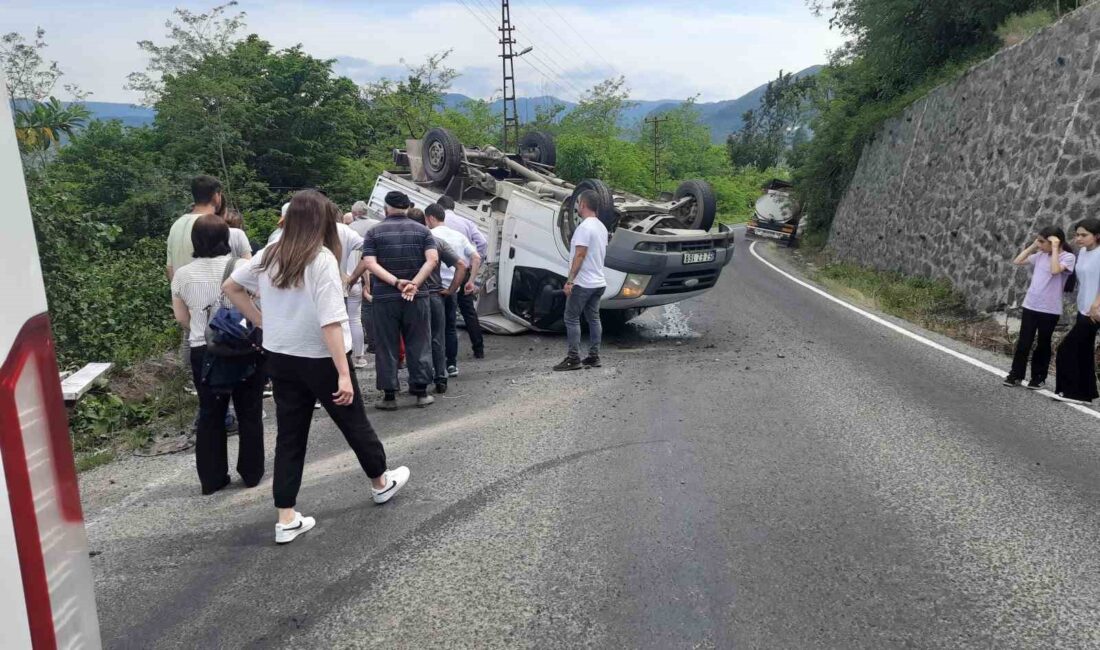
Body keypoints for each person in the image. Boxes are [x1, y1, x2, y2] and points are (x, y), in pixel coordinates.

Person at [223, 190, 410, 545]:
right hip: (321, 358)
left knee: (290, 436)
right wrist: (343, 372)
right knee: (354, 424)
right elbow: (330, 320)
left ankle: (286, 516)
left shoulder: (270, 253)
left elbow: (231, 286)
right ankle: (380, 482)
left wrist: (263, 322)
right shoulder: (320, 259)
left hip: (280, 357)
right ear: (323, 221)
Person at [170, 214, 264, 495]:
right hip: (244, 347)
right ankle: (251, 472)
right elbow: (260, 304)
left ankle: (212, 479)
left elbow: (180, 317)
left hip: (204, 351)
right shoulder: (243, 266)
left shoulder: (182, 275)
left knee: (210, 413)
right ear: (227, 238)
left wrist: (203, 330)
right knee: (249, 411)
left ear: (194, 240)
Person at [357, 191, 439, 410]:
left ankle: (389, 396)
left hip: (385, 297)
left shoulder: (374, 232)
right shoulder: (423, 231)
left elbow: (370, 263)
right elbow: (432, 260)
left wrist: (396, 283)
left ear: (386, 208)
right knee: (419, 341)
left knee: (386, 345)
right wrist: (414, 283)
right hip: (417, 296)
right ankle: (421, 393)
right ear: (407, 207)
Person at [1004, 226, 1075, 389]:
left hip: (1049, 310)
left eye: (1042, 242)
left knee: (1043, 344)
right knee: (1023, 342)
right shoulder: (1040, 255)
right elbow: (1018, 261)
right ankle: (1015, 375)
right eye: (1039, 241)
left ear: (1054, 242)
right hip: (1030, 306)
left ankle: (1038, 378)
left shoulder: (1068, 257)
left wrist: (1056, 248)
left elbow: (1055, 270)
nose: (1040, 245)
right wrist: (1034, 246)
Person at [408, 207, 467, 393]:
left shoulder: (404, 242)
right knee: (437, 338)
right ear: (425, 221)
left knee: (415, 340)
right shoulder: (437, 242)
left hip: (411, 296)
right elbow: (461, 265)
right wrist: (451, 290)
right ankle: (440, 378)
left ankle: (418, 380)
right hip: (434, 296)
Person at [424, 204, 481, 378]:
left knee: (433, 329)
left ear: (431, 218)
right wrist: (470, 281)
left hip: (432, 289)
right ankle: (451, 365)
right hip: (453, 288)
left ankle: (436, 367)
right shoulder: (459, 236)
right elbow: (476, 257)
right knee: (450, 327)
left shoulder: (429, 236)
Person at [554, 190, 608, 371]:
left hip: (583, 283)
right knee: (594, 318)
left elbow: (580, 254)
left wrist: (570, 281)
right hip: (599, 282)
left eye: (578, 203)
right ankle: (594, 356)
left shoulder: (584, 228)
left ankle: (573, 358)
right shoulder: (601, 227)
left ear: (583, 205)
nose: (577, 206)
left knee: (571, 318)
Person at [166, 175, 251, 280]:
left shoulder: (176, 225)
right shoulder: (216, 227)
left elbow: (170, 268)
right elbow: (247, 270)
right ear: (216, 196)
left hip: (183, 291)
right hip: (216, 292)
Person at [1054, 218, 1100, 404]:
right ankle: (1086, 393)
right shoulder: (1082, 252)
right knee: (1084, 350)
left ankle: (1076, 393)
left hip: (1094, 310)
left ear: (1097, 236)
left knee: (1068, 348)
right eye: (1077, 234)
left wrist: (1097, 304)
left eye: (1084, 235)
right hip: (1084, 307)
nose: (1078, 238)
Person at [436, 196, 487, 359]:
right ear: (453, 207)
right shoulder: (466, 223)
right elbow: (482, 243)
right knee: (468, 311)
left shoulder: (433, 227)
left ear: (439, 208)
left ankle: (442, 352)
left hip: (440, 274)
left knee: (441, 313)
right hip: (463, 272)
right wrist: (474, 264)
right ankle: (478, 349)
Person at [348, 200, 380, 355]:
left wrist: (364, 281)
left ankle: (373, 342)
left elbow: (362, 256)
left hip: (362, 272)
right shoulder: (378, 225)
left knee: (365, 310)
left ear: (354, 214)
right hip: (382, 272)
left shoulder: (351, 229)